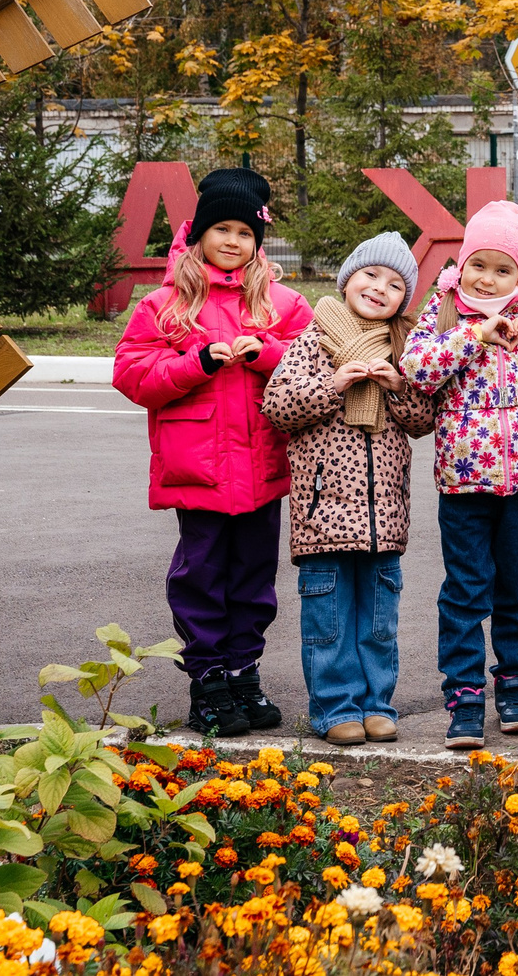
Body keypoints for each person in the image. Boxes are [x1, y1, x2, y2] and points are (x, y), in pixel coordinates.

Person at [111, 167, 313, 737]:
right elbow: (132, 373)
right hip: (198, 471)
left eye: (245, 232)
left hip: (262, 467)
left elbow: (312, 362)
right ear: (199, 233)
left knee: (254, 575)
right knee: (201, 576)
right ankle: (207, 679)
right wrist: (194, 364)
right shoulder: (165, 305)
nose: (232, 241)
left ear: (258, 241)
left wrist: (265, 354)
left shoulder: (282, 303)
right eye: (221, 229)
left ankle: (244, 672)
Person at [259, 235, 436, 745]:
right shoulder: (313, 341)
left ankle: (377, 704)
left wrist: (398, 387)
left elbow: (424, 420)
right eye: (370, 275)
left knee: (379, 622)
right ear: (347, 279)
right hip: (324, 518)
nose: (380, 288)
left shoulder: (404, 349)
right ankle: (335, 708)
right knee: (329, 622)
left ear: (404, 300)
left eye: (395, 284)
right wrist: (334, 384)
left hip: (384, 518)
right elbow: (277, 408)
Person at [401, 199, 518, 748]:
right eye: (479, 265)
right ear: (462, 263)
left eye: (503, 269)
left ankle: (513, 682)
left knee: (517, 585)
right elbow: (416, 369)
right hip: (464, 482)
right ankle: (464, 693)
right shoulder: (443, 312)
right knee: (466, 588)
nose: (488, 279)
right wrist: (474, 337)